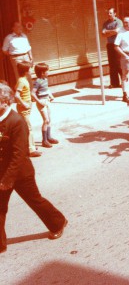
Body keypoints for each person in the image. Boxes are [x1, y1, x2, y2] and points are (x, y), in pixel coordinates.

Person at [0, 82, 67, 254]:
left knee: (35, 201)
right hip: (2, 172)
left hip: (20, 173)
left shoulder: (17, 121)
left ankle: (58, 222)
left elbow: (19, 154)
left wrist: (7, 180)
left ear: (5, 102)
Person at [14, 62, 41, 157]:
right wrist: (24, 103)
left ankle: (31, 145)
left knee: (27, 127)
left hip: (27, 107)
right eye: (29, 69)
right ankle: (31, 150)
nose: (31, 70)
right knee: (28, 128)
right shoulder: (21, 81)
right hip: (24, 108)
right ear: (26, 71)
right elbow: (16, 95)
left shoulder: (24, 80)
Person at [31, 63, 59, 148]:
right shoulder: (38, 81)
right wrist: (39, 102)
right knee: (46, 120)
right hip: (42, 102)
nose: (49, 72)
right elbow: (32, 93)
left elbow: (47, 89)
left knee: (49, 119)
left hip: (47, 101)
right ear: (42, 72)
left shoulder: (45, 79)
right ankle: (44, 140)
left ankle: (49, 137)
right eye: (47, 70)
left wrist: (51, 96)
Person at [2, 21, 33, 85]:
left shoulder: (24, 36)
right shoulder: (9, 38)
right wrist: (12, 55)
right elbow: (4, 50)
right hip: (16, 59)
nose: (21, 28)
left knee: (29, 74)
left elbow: (28, 47)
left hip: (26, 56)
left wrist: (31, 58)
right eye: (18, 26)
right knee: (19, 76)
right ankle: (22, 93)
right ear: (13, 28)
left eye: (21, 26)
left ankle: (31, 92)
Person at [102, 7, 123, 89]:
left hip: (117, 45)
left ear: (115, 14)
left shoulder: (118, 22)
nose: (109, 14)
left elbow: (117, 31)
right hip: (110, 45)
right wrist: (112, 32)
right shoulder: (105, 23)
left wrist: (107, 32)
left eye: (110, 13)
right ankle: (114, 83)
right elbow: (102, 34)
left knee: (118, 64)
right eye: (108, 13)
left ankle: (124, 82)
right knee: (112, 65)